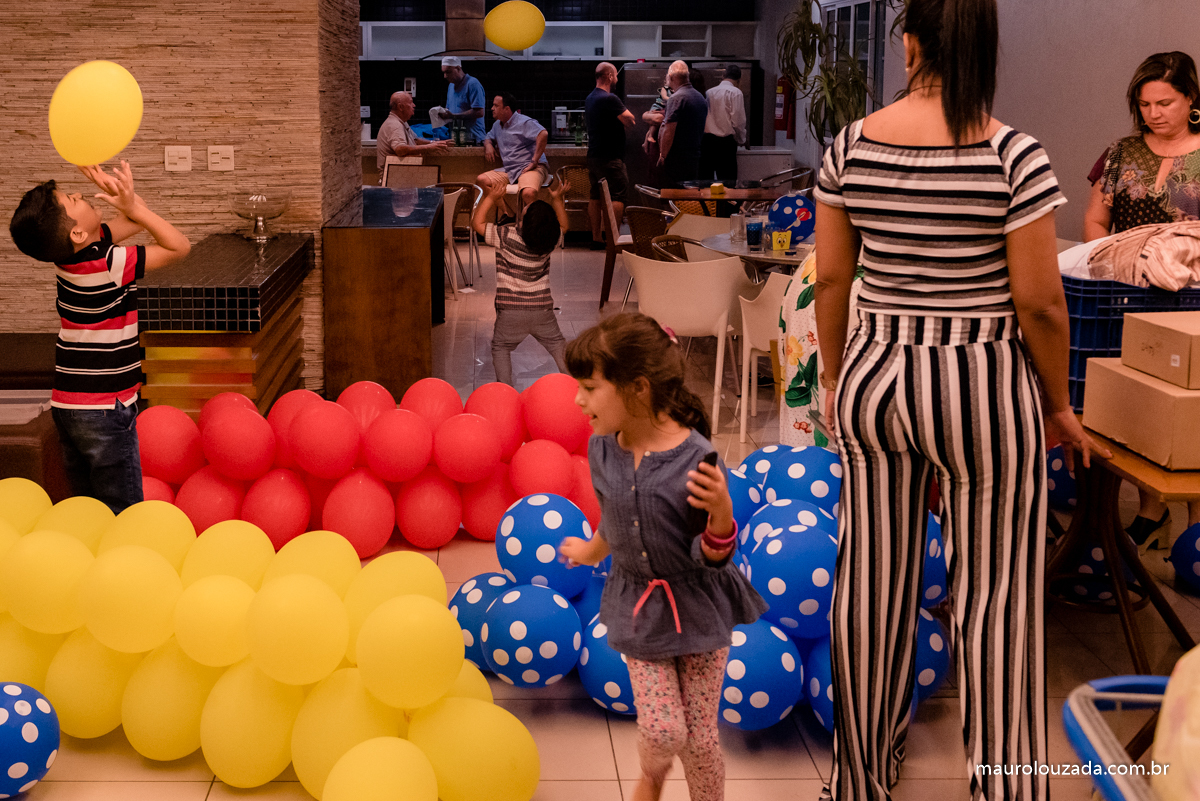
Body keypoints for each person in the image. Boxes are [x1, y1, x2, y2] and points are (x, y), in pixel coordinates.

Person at [812, 0, 1108, 798]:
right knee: (997, 596)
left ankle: (860, 779)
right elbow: (1042, 303)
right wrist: (1057, 403)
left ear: (909, 43)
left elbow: (834, 279)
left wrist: (838, 380)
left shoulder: (850, 146)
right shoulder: (1015, 154)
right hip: (982, 379)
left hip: (878, 371)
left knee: (871, 586)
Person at [558, 313, 767, 801]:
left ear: (638, 389)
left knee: (698, 742)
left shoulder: (695, 459)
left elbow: (711, 556)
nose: (578, 399)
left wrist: (721, 514)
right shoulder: (602, 450)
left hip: (699, 608)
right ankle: (652, 775)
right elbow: (616, 515)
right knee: (663, 732)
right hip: (639, 610)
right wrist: (591, 550)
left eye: (589, 387)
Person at [8, 161, 192, 514]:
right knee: (122, 507)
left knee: (86, 505)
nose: (80, 194)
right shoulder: (109, 263)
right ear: (76, 234)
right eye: (73, 199)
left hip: (67, 406)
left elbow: (133, 220)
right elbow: (178, 247)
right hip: (105, 409)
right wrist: (131, 205)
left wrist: (120, 197)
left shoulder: (70, 260)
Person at [1082, 51, 1200, 551]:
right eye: (1145, 103)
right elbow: (1095, 222)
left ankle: (1195, 525)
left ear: (1192, 99)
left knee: (1193, 410)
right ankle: (1151, 512)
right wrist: (1111, 261)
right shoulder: (1122, 152)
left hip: (1192, 301)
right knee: (1136, 408)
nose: (1154, 112)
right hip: (1126, 296)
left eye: (1165, 102)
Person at [471, 176, 570, 386]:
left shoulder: (506, 236)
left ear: (523, 223)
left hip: (511, 311)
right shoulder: (550, 240)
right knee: (557, 345)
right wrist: (558, 200)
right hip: (542, 309)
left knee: (501, 347)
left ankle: (505, 388)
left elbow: (477, 223)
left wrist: (491, 197)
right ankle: (574, 384)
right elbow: (564, 225)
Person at [585, 62, 636, 250]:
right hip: (610, 157)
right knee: (618, 195)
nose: (616, 78)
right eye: (615, 75)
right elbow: (630, 120)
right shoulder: (610, 98)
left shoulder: (590, 98)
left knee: (595, 196)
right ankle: (613, 239)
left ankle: (596, 238)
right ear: (608, 76)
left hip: (594, 156)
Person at [478, 92, 550, 220]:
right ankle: (509, 214)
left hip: (530, 167)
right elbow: (488, 137)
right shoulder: (497, 125)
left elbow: (543, 134)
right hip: (511, 169)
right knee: (481, 180)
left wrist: (534, 161)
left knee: (528, 193)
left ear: (506, 109)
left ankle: (533, 226)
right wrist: (488, 145)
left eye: (496, 105)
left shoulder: (523, 122)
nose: (492, 108)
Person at [376, 91, 452, 180]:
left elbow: (415, 140)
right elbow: (400, 149)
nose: (414, 105)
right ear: (401, 107)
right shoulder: (394, 125)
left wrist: (435, 143)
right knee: (436, 177)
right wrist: (429, 147)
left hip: (400, 172)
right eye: (411, 102)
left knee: (437, 176)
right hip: (392, 177)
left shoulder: (401, 122)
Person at [657, 61, 708, 187]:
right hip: (694, 157)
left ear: (672, 77)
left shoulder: (677, 98)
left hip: (677, 160)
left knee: (673, 198)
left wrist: (663, 156)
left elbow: (669, 129)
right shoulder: (700, 97)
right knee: (688, 199)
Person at [699, 65, 747, 184]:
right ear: (739, 79)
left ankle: (708, 203)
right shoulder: (736, 92)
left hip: (707, 141)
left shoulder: (709, 92)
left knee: (706, 182)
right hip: (726, 143)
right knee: (728, 183)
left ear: (723, 76)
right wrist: (741, 139)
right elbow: (738, 121)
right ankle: (725, 203)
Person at [440, 56, 486, 144]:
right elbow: (450, 110)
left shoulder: (472, 84)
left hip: (473, 139)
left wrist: (453, 116)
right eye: (444, 72)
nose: (445, 76)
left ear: (458, 68)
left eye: (448, 72)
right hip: (457, 139)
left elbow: (479, 112)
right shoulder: (451, 86)